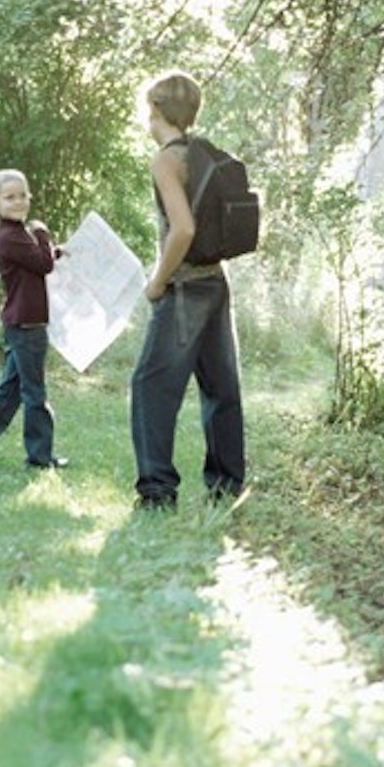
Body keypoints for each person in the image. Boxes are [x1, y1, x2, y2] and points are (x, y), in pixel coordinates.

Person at [129, 69, 245, 511]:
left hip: (184, 290)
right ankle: (226, 486)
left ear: (156, 109)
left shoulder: (167, 159)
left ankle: (157, 493)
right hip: (216, 282)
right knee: (220, 387)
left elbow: (183, 229)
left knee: (150, 387)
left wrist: (157, 281)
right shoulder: (204, 153)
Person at [0, 169, 68, 470]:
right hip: (26, 324)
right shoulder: (10, 236)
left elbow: (36, 262)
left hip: (23, 322)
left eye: (23, 195)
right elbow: (43, 264)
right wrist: (43, 232)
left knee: (9, 392)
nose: (19, 201)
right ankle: (39, 458)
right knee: (34, 394)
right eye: (10, 197)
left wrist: (53, 249)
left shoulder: (16, 234)